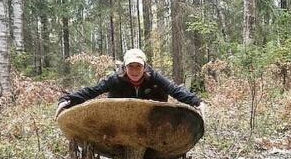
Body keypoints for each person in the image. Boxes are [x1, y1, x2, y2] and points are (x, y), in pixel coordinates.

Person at [55, 48, 206, 120]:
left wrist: (196, 102)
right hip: (121, 116)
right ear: (125, 67)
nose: (134, 70)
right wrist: (68, 100)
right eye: (130, 66)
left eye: (138, 66)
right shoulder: (115, 79)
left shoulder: (153, 77)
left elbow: (174, 89)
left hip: (150, 116)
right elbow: (93, 90)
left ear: (144, 66)